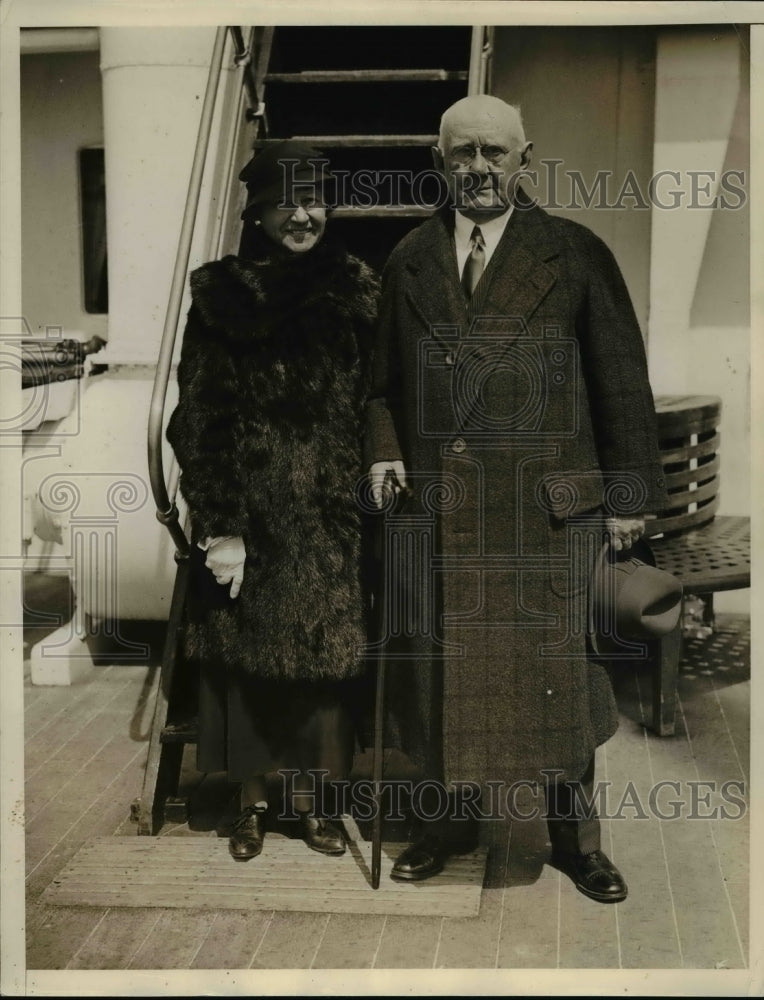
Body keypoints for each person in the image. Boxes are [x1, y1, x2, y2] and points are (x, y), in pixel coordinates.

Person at [364, 94, 668, 901]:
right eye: (462, 154)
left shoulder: (573, 254)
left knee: (560, 685)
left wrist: (629, 498)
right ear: (440, 162)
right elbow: (380, 388)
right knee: (444, 681)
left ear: (525, 159)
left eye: (494, 153)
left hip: (544, 515)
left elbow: (623, 387)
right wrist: (386, 452)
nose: (479, 169)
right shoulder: (410, 260)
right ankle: (448, 824)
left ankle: (576, 843)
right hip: (443, 513)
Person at [167, 141, 379, 862]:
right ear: (257, 210)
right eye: (287, 201)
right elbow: (200, 414)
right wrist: (221, 523)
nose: (303, 215)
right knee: (251, 664)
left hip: (329, 512)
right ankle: (254, 803)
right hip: (252, 514)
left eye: (315, 199)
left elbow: (376, 399)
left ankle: (315, 804)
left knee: (323, 667)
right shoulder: (224, 295)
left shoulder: (354, 288)